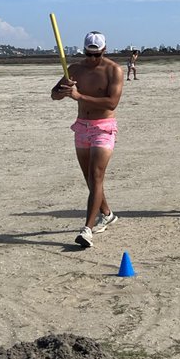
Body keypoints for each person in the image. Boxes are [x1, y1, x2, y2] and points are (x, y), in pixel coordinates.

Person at [51, 31, 124, 248]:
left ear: (104, 50)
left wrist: (79, 96)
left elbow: (112, 103)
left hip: (104, 127)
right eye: (89, 54)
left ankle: (87, 229)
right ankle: (107, 213)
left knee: (96, 175)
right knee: (90, 179)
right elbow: (54, 94)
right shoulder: (74, 69)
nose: (92, 59)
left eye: (97, 55)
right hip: (82, 126)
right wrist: (62, 91)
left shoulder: (113, 70)